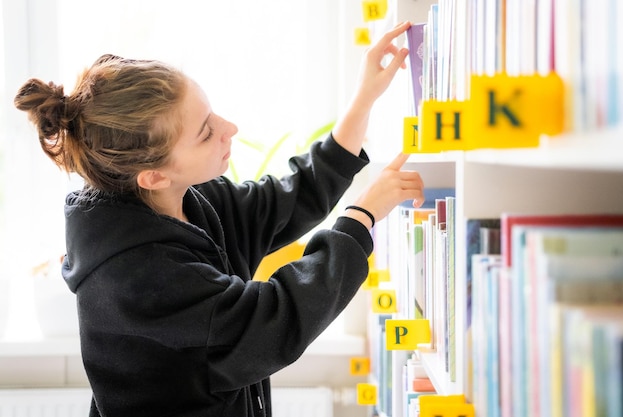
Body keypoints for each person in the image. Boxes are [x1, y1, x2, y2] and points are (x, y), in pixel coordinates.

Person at [14, 21, 424, 417]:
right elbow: (273, 320)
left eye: (213, 115)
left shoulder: (184, 200)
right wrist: (361, 217)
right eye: (206, 133)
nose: (230, 128)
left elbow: (284, 201)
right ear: (154, 174)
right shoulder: (139, 281)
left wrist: (364, 98)